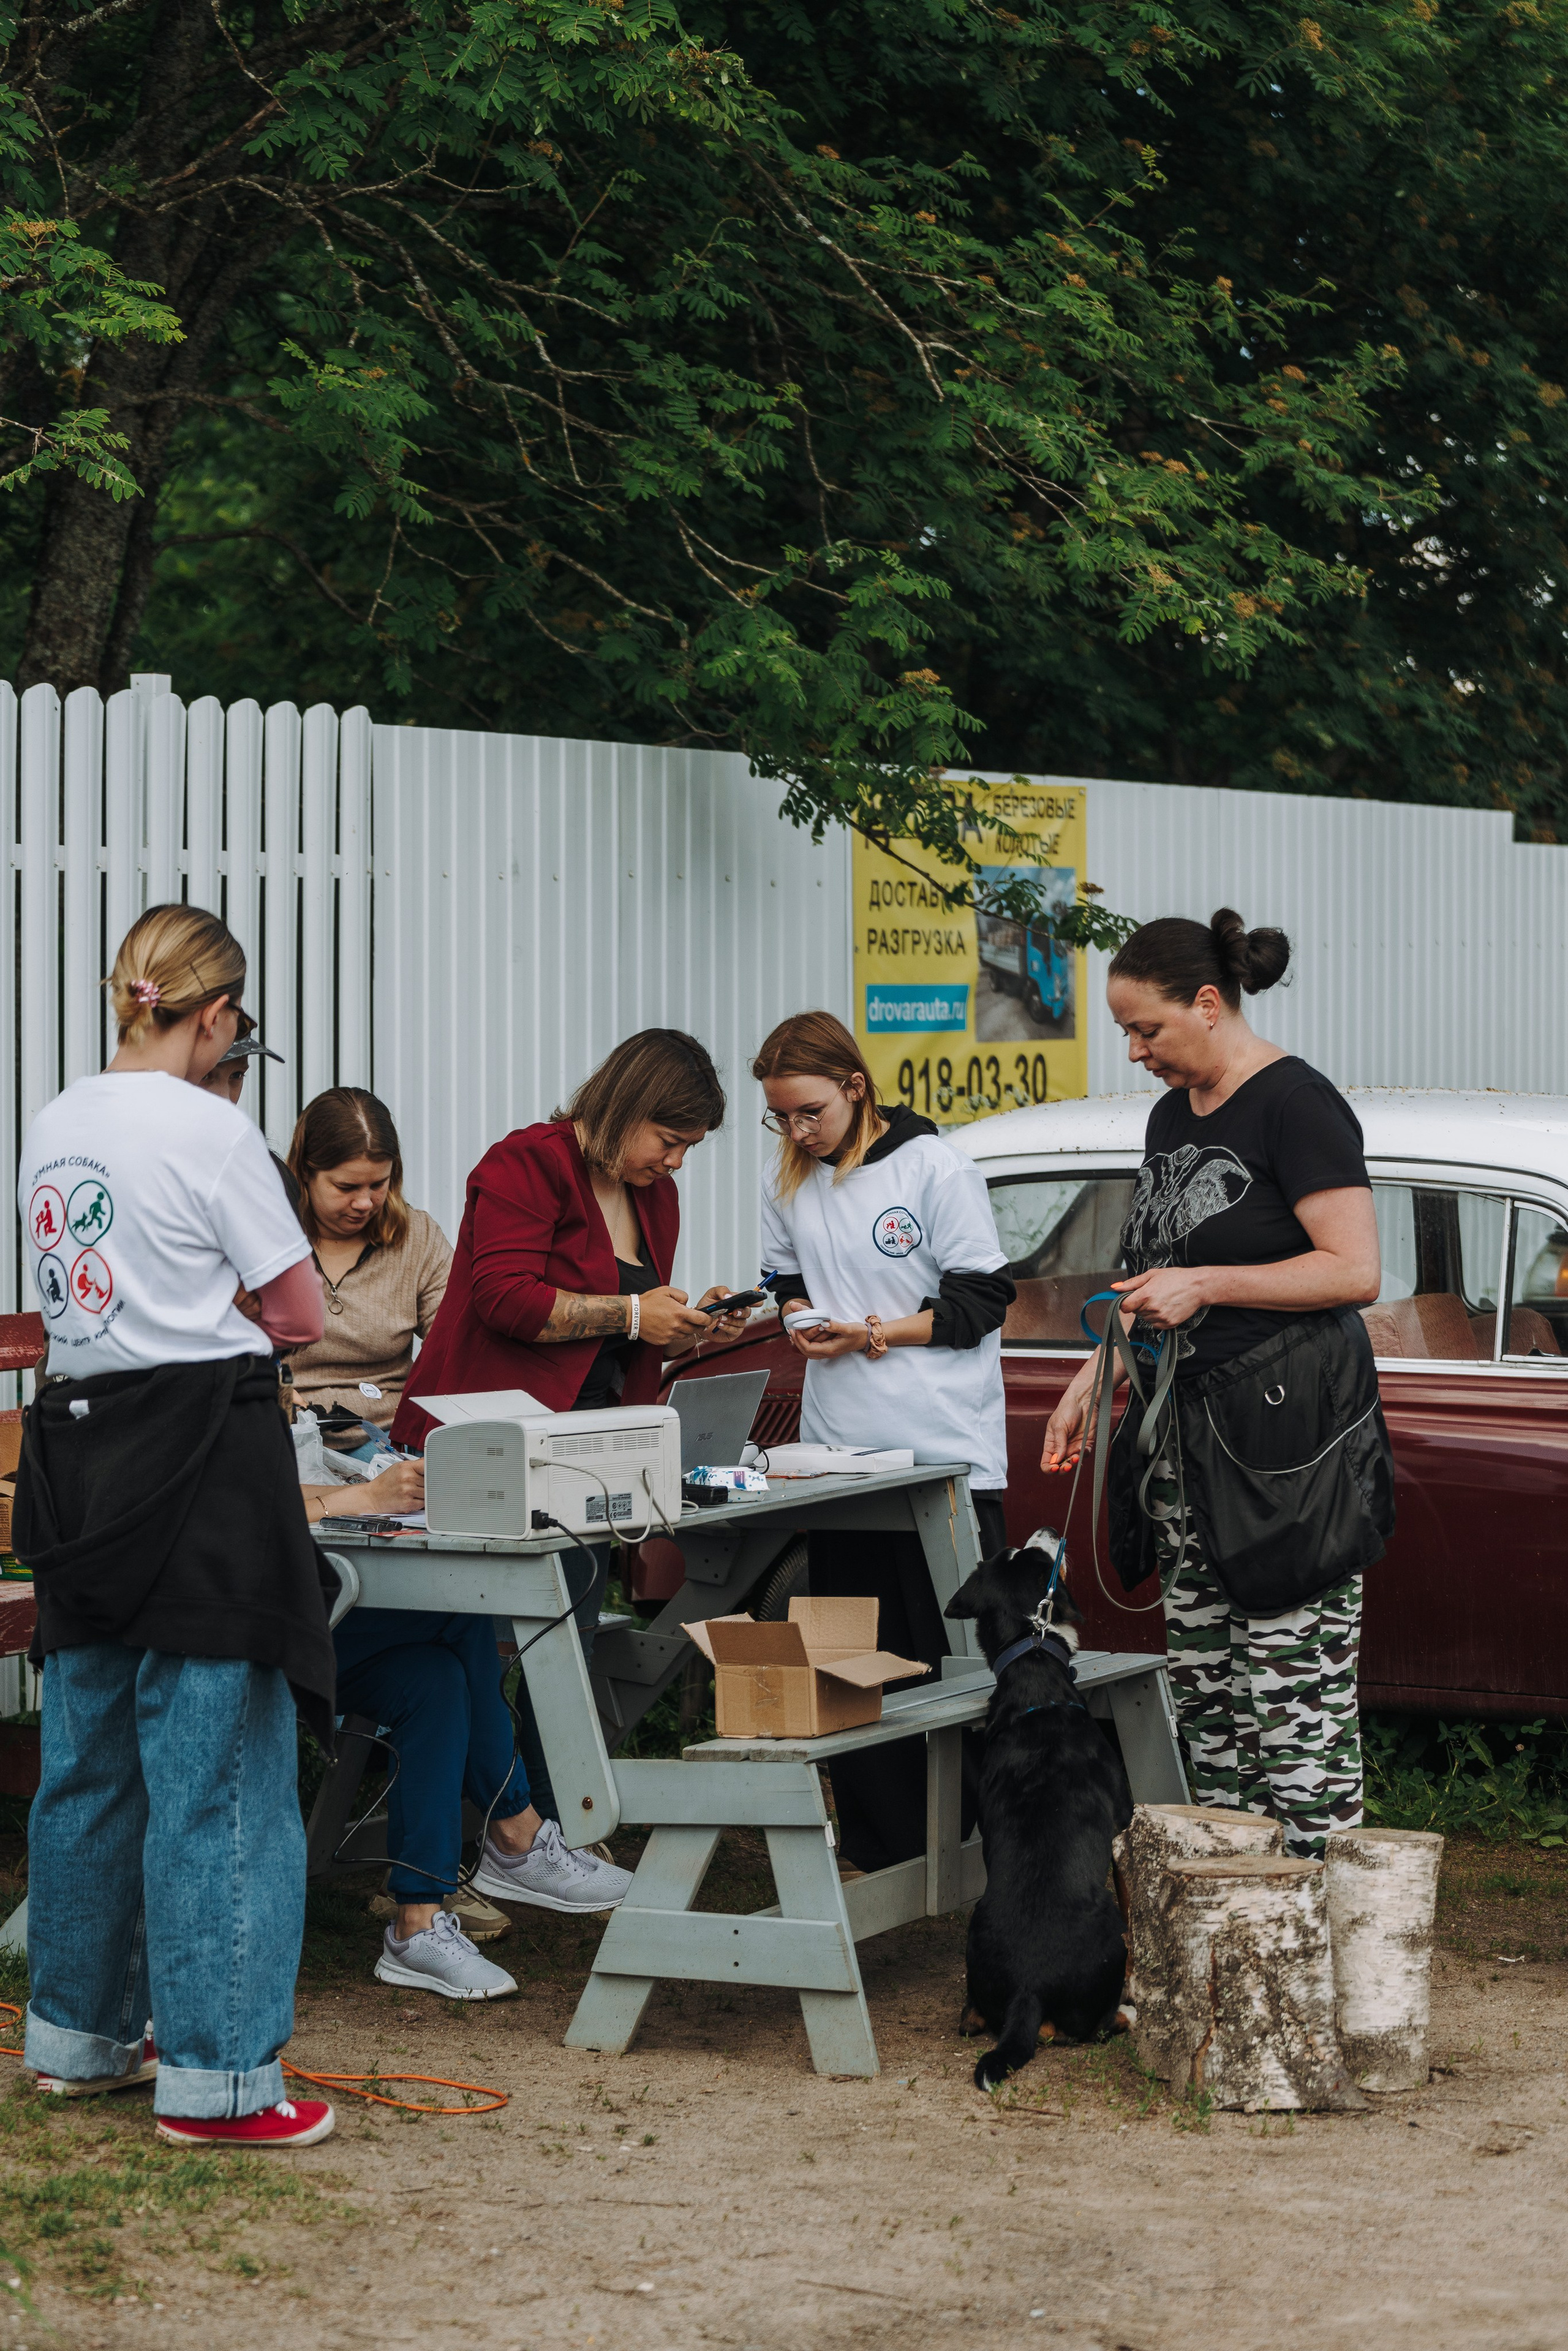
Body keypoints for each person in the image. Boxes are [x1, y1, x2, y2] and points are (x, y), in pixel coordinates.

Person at [13, 904, 336, 2148]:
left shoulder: (57, 1116)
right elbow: (300, 1309)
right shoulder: (213, 1126)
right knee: (217, 1773)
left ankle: (77, 2039)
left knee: (88, 1761)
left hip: (80, 1447)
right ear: (215, 1016)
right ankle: (220, 2081)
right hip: (201, 1453)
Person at [1041, 908, 1388, 1859]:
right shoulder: (1167, 1116)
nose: (1135, 1051)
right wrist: (1093, 1370)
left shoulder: (1296, 1102)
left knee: (1293, 1702)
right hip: (1183, 1448)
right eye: (1125, 1032)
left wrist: (1213, 1283)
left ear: (1206, 1002)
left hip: (1289, 1457)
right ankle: (1238, 1941)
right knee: (1208, 1698)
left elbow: (1355, 1270)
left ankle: (1321, 1931)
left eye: (1145, 1028)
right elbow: (1147, 1273)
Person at [752, 1010, 1016, 1875]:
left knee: (955, 1662)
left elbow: (981, 1301)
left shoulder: (936, 1167)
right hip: (839, 1458)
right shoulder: (789, 1179)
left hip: (944, 1454)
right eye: (782, 1116)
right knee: (849, 1658)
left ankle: (983, 1855)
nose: (796, 1130)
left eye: (809, 1112)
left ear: (856, 1088)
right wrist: (797, 1318)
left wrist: (877, 1334)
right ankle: (880, 1850)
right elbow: (785, 1277)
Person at [283, 1089, 451, 1451]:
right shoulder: (265, 1236)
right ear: (306, 1173)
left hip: (394, 1441)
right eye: (346, 1187)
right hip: (288, 1439)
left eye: (379, 1185)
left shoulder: (417, 1238)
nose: (364, 1203)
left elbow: (453, 1344)